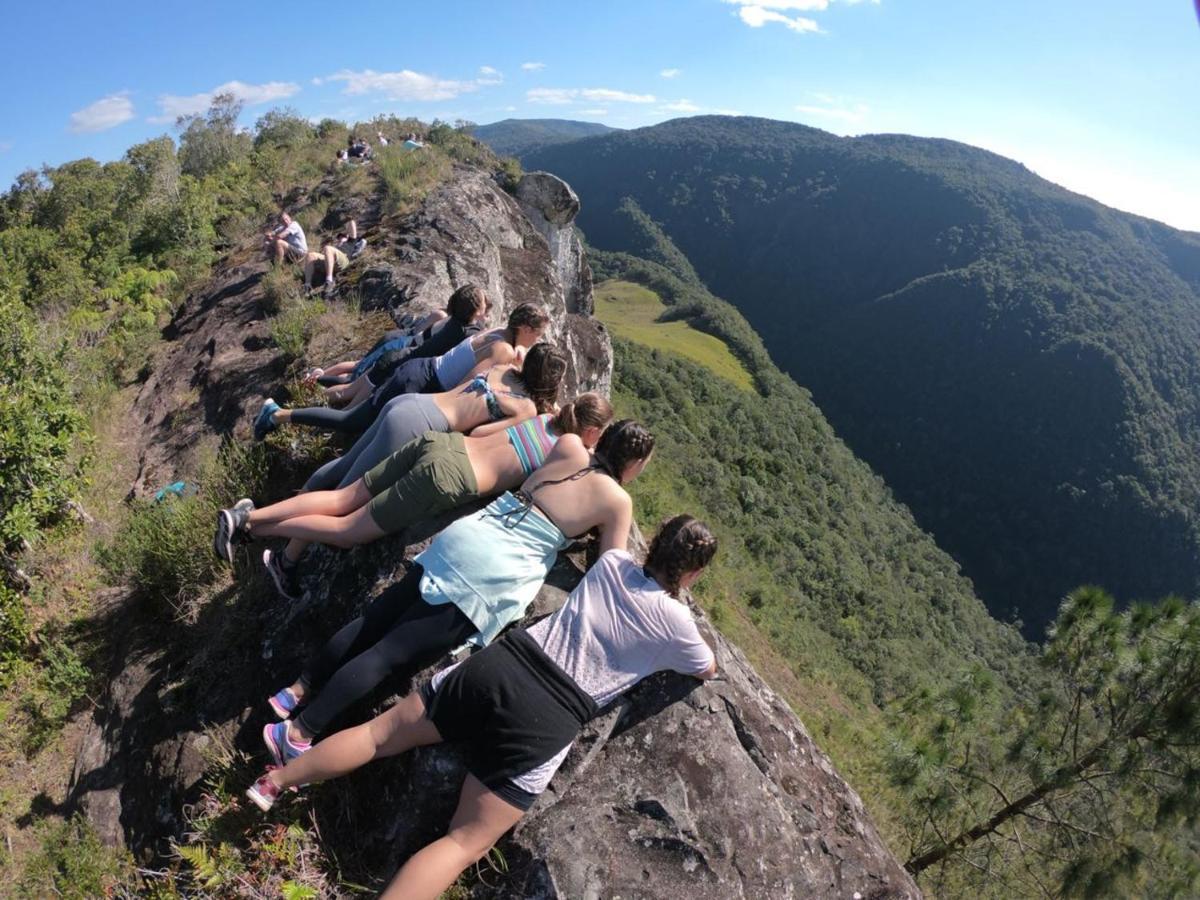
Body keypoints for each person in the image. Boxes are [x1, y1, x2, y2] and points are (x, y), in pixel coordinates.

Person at [245, 514, 717, 900]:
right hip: (552, 716)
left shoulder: (611, 564)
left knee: (377, 736)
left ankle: (276, 780)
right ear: (693, 574)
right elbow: (706, 668)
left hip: (506, 663)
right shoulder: (677, 625)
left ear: (654, 543)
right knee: (462, 843)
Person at [241, 420, 655, 768]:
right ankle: (296, 732)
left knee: (374, 620)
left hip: (466, 536)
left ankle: (293, 692)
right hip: (489, 575)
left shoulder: (567, 445)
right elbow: (610, 565)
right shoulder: (618, 501)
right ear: (635, 464)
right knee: (389, 655)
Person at [214, 393, 613, 597]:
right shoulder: (569, 452)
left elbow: (478, 434)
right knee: (349, 529)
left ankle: (245, 517)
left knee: (341, 499)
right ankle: (251, 528)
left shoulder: (542, 418)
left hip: (441, 444)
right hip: (447, 476)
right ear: (593, 432)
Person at [253, 303, 549, 440]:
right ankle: (277, 414)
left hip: (418, 371)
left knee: (354, 413)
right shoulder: (504, 350)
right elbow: (469, 387)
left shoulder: (498, 332)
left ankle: (286, 411)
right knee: (351, 421)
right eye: (537, 334)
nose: (536, 340)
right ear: (524, 329)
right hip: (420, 383)